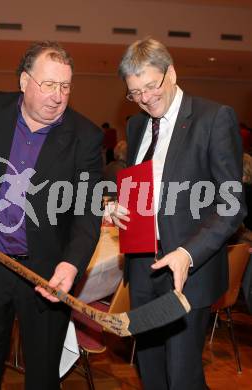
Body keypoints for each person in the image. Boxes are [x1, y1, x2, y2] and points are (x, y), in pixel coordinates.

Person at [0, 41, 103, 390]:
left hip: (46, 273)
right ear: (24, 82)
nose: (58, 97)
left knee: (42, 375)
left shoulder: (85, 137)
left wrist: (71, 265)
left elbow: (88, 211)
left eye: (66, 86)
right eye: (49, 85)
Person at [108, 38, 246, 390]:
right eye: (135, 92)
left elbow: (232, 206)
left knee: (182, 378)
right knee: (150, 371)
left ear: (171, 73)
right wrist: (118, 207)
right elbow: (141, 187)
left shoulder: (213, 118)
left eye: (151, 86)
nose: (145, 98)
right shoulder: (138, 125)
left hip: (188, 271)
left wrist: (188, 254)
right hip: (142, 269)